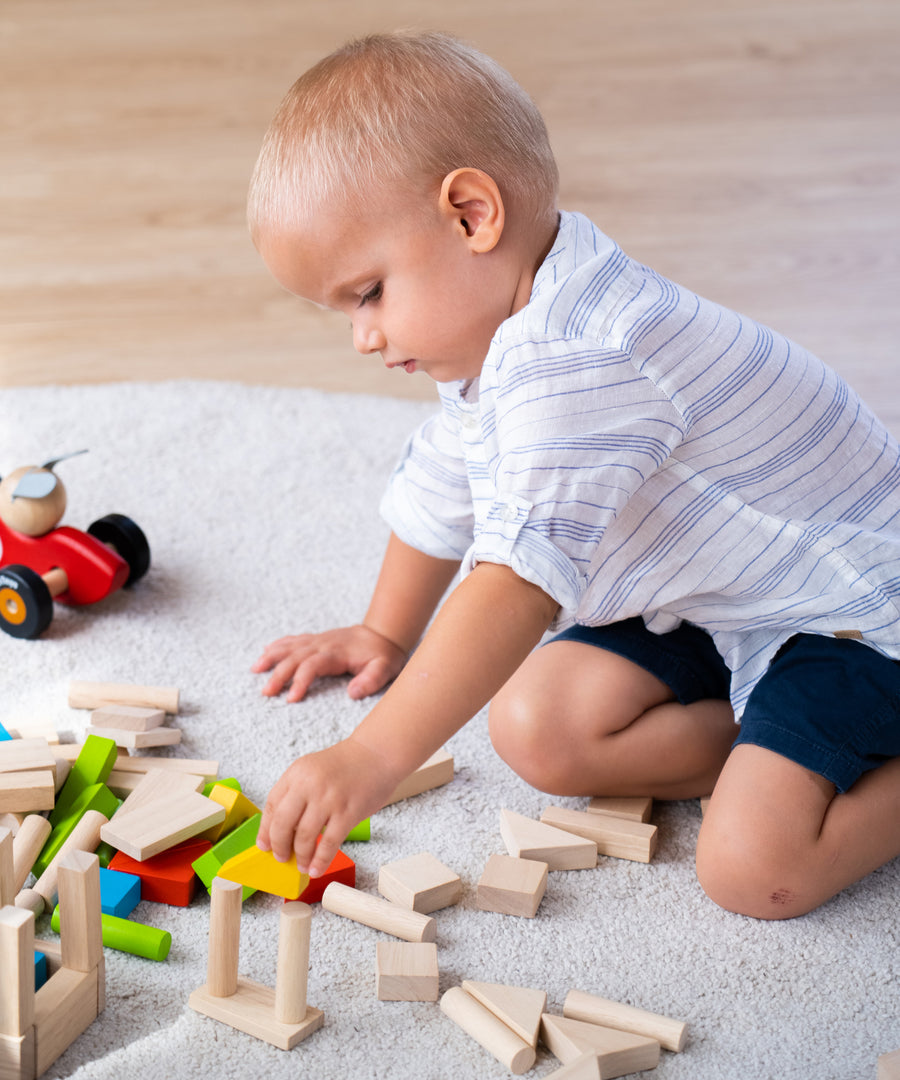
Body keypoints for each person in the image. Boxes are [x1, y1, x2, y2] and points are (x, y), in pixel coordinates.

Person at [247, 30, 900, 919]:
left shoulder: (581, 359)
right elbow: (449, 483)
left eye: (368, 294)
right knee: (535, 726)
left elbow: (514, 582)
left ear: (472, 215)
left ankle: (806, 766)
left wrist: (369, 757)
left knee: (754, 868)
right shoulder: (505, 320)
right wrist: (382, 632)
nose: (363, 336)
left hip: (851, 614)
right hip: (718, 602)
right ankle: (772, 748)